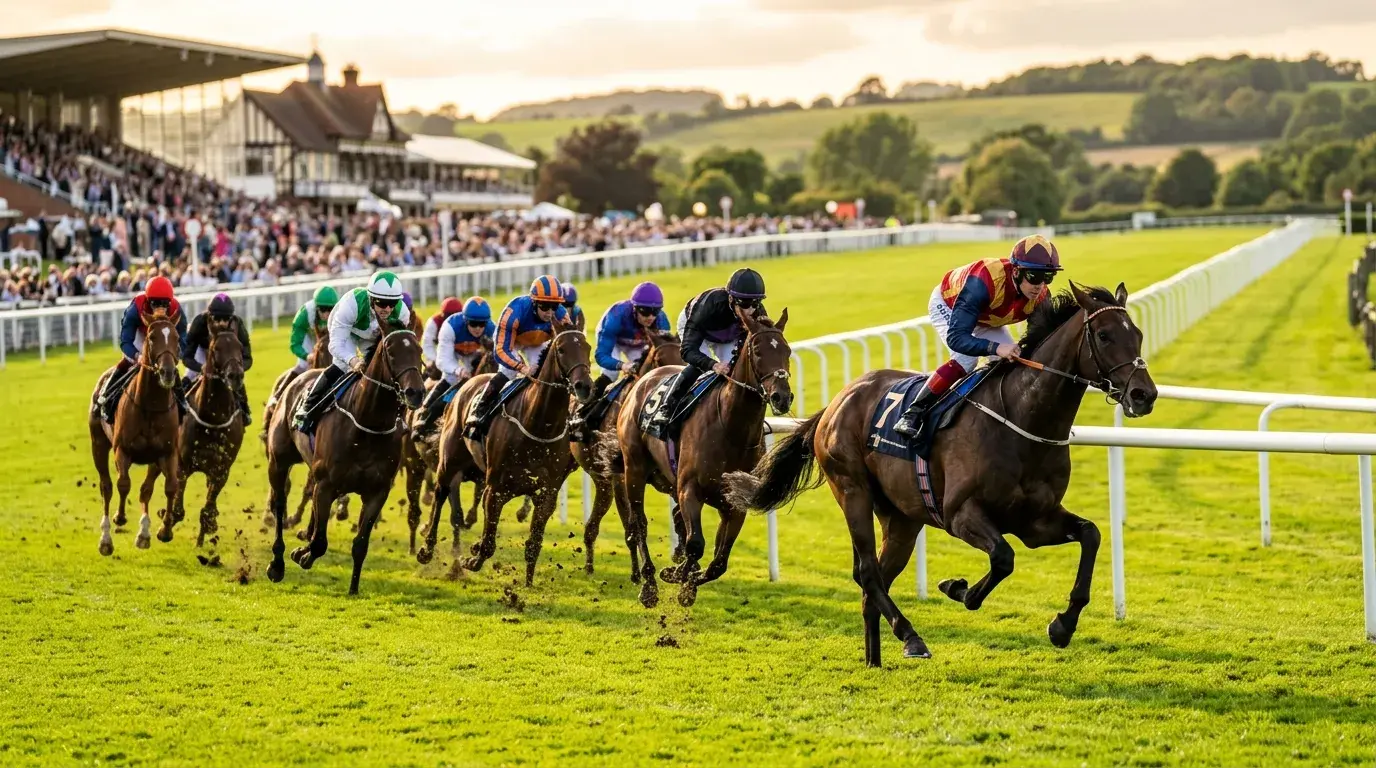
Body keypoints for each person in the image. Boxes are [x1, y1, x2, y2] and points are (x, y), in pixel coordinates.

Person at [893, 234, 1061, 442]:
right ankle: (913, 413)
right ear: (1016, 271)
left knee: (1012, 361)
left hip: (986, 316)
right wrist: (995, 347)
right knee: (966, 360)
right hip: (949, 304)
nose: (1040, 285)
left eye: (1048, 277)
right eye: (1034, 276)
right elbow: (957, 338)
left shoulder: (1041, 296)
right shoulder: (983, 281)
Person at [293, 271, 411, 433]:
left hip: (372, 336)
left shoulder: (402, 313)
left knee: (386, 369)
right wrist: (353, 360)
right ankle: (308, 407)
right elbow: (335, 344)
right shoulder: (352, 303)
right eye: (382, 303)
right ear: (371, 298)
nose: (388, 309)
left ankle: (401, 414)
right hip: (348, 332)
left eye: (392, 303)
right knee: (342, 366)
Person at [652, 268, 766, 429]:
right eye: (745, 304)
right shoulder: (706, 309)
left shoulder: (757, 311)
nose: (750, 310)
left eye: (755, 303)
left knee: (735, 370)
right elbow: (687, 351)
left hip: (727, 334)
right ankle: (667, 406)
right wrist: (712, 364)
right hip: (698, 327)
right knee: (700, 367)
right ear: (731, 299)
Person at [464, 275, 567, 438]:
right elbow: (500, 351)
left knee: (548, 373)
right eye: (545, 306)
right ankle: (479, 410)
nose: (549, 312)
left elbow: (568, 341)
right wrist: (522, 367)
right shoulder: (514, 312)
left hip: (538, 341)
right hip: (512, 342)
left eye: (554, 306)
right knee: (508, 372)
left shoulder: (560, 314)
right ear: (534, 302)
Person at [569, 281, 669, 437]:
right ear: (635, 308)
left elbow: (662, 351)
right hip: (614, 341)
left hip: (638, 344)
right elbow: (601, 356)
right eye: (645, 312)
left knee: (650, 372)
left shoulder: (661, 321)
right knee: (611, 373)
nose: (650, 317)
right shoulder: (616, 316)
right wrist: (622, 365)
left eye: (655, 311)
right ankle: (584, 415)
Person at [96, 275, 190, 422]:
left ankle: (182, 402)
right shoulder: (136, 307)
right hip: (141, 336)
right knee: (127, 362)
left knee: (170, 367)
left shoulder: (176, 309)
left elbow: (183, 338)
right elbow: (125, 340)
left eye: (164, 304)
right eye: (155, 303)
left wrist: (175, 355)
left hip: (164, 340)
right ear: (147, 300)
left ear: (170, 302)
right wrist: (136, 356)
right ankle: (107, 396)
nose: (160, 308)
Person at [413, 296, 495, 439]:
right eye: (473, 324)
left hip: (474, 355)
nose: (478, 328)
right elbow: (442, 360)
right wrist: (458, 370)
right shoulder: (450, 326)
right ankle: (425, 416)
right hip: (452, 354)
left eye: (482, 324)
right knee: (451, 377)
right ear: (465, 320)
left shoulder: (492, 328)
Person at [181, 292, 254, 424]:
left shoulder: (237, 323)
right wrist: (200, 367)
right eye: (217, 319)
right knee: (190, 375)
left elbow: (248, 357)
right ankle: (179, 406)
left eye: (226, 319)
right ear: (210, 316)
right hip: (202, 351)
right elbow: (186, 357)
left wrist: (237, 368)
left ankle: (244, 410)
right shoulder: (199, 322)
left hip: (226, 354)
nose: (222, 323)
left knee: (237, 378)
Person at [289, 285, 338, 372]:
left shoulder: (341, 313)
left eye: (331, 309)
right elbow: (295, 344)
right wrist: (306, 356)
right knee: (303, 365)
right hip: (310, 339)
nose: (327, 314)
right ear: (316, 307)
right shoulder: (304, 314)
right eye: (323, 309)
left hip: (331, 340)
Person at [422, 296, 465, 375]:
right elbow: (427, 345)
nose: (450, 319)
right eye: (448, 316)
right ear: (442, 314)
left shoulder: (466, 323)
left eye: (454, 316)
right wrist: (435, 360)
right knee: (432, 369)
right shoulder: (433, 322)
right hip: (439, 353)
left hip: (458, 352)